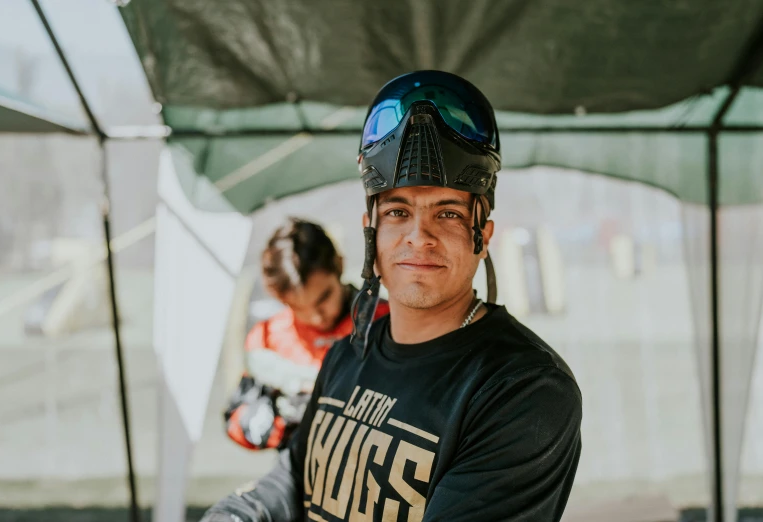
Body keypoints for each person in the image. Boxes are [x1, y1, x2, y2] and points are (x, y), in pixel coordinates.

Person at [204, 70, 582, 522]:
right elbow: (290, 480)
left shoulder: (523, 390)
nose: (419, 236)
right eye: (398, 211)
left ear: (483, 235)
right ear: (371, 234)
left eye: (447, 213)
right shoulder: (347, 355)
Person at [225, 218, 390, 451]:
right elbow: (236, 422)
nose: (316, 317)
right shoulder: (267, 338)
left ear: (339, 265)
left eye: (323, 299)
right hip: (303, 473)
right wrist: (279, 417)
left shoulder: (387, 321)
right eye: (298, 308)